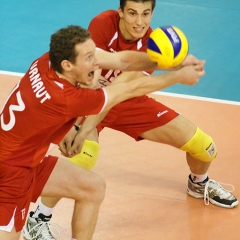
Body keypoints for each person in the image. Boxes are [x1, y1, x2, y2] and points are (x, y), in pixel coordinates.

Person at [25, 0, 238, 239]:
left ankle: (199, 183)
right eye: (133, 13)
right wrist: (80, 127)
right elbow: (95, 81)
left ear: (152, 14)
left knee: (205, 147)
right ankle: (38, 218)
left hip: (126, 100)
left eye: (146, 14)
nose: (139, 21)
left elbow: (121, 88)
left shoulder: (156, 44)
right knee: (82, 157)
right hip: (90, 98)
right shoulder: (103, 24)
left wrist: (82, 130)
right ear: (121, 12)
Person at [0, 24, 205, 240]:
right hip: (12, 174)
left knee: (92, 188)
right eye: (89, 58)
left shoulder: (49, 60)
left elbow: (122, 61)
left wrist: (169, 62)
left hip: (27, 160)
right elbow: (128, 89)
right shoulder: (67, 98)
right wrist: (178, 76)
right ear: (68, 64)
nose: (97, 63)